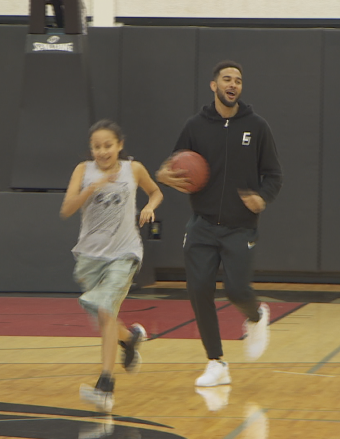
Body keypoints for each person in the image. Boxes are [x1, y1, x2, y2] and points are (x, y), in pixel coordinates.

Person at [156, 60, 282, 387]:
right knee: (199, 291)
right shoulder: (195, 126)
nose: (233, 84)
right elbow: (172, 166)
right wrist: (163, 175)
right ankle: (216, 362)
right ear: (214, 85)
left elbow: (274, 175)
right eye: (227, 79)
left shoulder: (257, 126)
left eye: (238, 80)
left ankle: (256, 316)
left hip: (241, 227)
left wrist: (262, 197)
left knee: (238, 290)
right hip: (202, 224)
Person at [60, 119, 163, 412]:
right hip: (90, 257)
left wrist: (148, 206)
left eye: (108, 145)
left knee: (105, 309)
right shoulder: (83, 170)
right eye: (97, 146)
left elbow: (156, 192)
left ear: (119, 145)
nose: (102, 151)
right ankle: (130, 339)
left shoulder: (134, 169)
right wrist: (90, 189)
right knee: (106, 319)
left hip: (124, 252)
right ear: (90, 148)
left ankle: (105, 385)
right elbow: (66, 209)